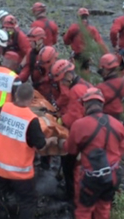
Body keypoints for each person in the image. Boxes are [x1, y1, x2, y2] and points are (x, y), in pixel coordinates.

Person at [0, 83, 55, 219]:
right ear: (31, 99)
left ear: (16, 95)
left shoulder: (2, 109)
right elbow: (40, 144)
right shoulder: (31, 120)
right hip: (19, 172)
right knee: (28, 201)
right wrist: (51, 141)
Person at [60, 88, 124, 219]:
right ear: (101, 105)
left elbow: (71, 150)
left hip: (91, 178)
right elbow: (122, 149)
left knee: (84, 211)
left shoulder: (79, 125)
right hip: (112, 176)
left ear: (85, 105)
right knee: (103, 208)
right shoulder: (118, 125)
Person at [51, 59, 93, 204]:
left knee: (68, 162)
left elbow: (74, 117)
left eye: (61, 80)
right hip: (91, 130)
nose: (61, 84)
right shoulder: (82, 83)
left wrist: (60, 120)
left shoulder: (76, 90)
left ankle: (71, 195)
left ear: (68, 76)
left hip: (82, 134)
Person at [64, 8, 108, 77]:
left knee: (74, 75)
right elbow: (100, 43)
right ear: (87, 17)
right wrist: (107, 55)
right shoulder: (92, 29)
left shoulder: (73, 28)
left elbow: (66, 41)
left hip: (76, 56)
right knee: (85, 76)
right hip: (86, 56)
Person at [96, 54, 124, 121]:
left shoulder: (101, 87)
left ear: (105, 69)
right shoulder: (123, 82)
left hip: (104, 118)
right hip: (118, 118)